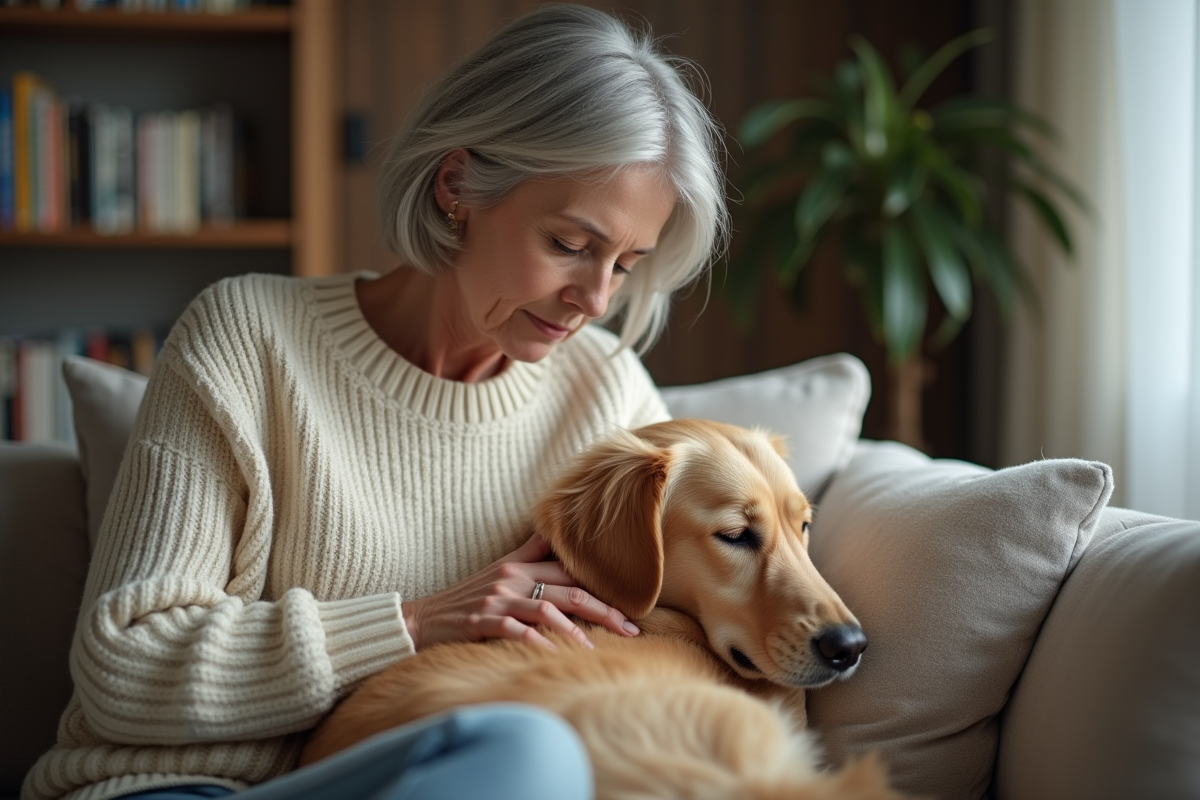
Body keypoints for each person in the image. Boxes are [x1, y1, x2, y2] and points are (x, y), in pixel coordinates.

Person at [22, 5, 727, 800]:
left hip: (437, 778)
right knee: (526, 755)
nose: (594, 299)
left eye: (627, 265)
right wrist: (415, 624)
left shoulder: (609, 395)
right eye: (570, 245)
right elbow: (125, 661)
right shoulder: (250, 337)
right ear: (456, 185)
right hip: (180, 790)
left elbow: (681, 629)